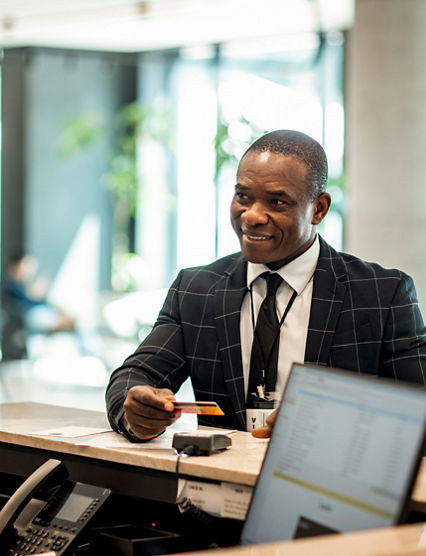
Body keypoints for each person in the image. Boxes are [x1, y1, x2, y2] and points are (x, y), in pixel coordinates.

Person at [106, 130, 426, 442]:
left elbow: (418, 409)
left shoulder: (381, 295)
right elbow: (134, 376)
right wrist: (136, 410)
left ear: (319, 208)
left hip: (324, 486)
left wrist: (326, 422)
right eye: (243, 196)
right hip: (216, 485)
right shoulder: (197, 290)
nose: (253, 216)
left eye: (277, 202)